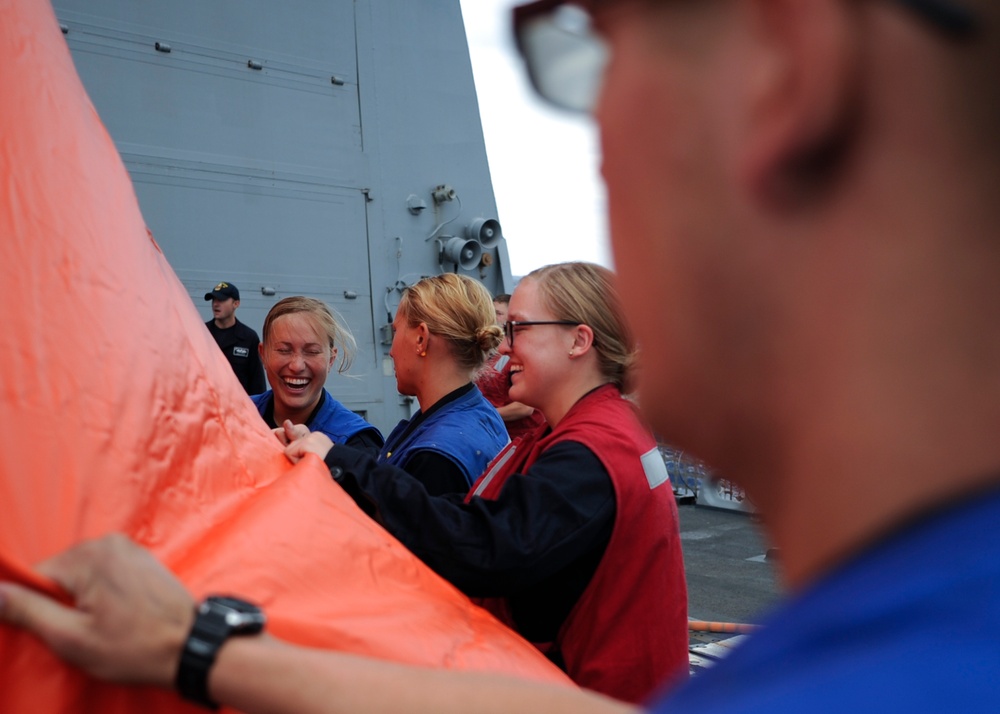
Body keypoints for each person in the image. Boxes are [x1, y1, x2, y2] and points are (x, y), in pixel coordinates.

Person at [4, 0, 1000, 712]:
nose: (500, 345)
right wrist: (203, 651)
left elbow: (491, 556)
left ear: (783, 69)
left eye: (587, 47)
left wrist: (208, 636)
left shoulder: (583, 455)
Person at [278, 261, 688, 702]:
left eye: (520, 329)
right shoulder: (597, 430)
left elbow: (487, 546)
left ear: (578, 340)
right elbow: (483, 517)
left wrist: (343, 464)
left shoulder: (591, 452)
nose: (506, 349)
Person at [298, 273, 509, 496]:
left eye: (396, 331)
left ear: (421, 339)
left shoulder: (434, 459)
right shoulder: (481, 414)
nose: (391, 351)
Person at [251, 296, 383, 457]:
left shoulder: (356, 443)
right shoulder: (233, 419)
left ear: (331, 359)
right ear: (262, 354)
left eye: (312, 352)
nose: (297, 366)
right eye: (284, 350)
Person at [474, 293, 546, 440]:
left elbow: (524, 408)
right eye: (491, 313)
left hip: (520, 440)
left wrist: (482, 417)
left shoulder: (519, 356)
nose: (493, 318)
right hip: (494, 435)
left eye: (499, 314)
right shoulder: (486, 352)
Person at [204, 281, 266, 395]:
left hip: (236, 409)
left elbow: (257, 382)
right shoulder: (201, 332)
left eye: (221, 300)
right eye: (213, 300)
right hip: (205, 406)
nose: (215, 304)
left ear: (236, 304)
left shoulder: (248, 338)